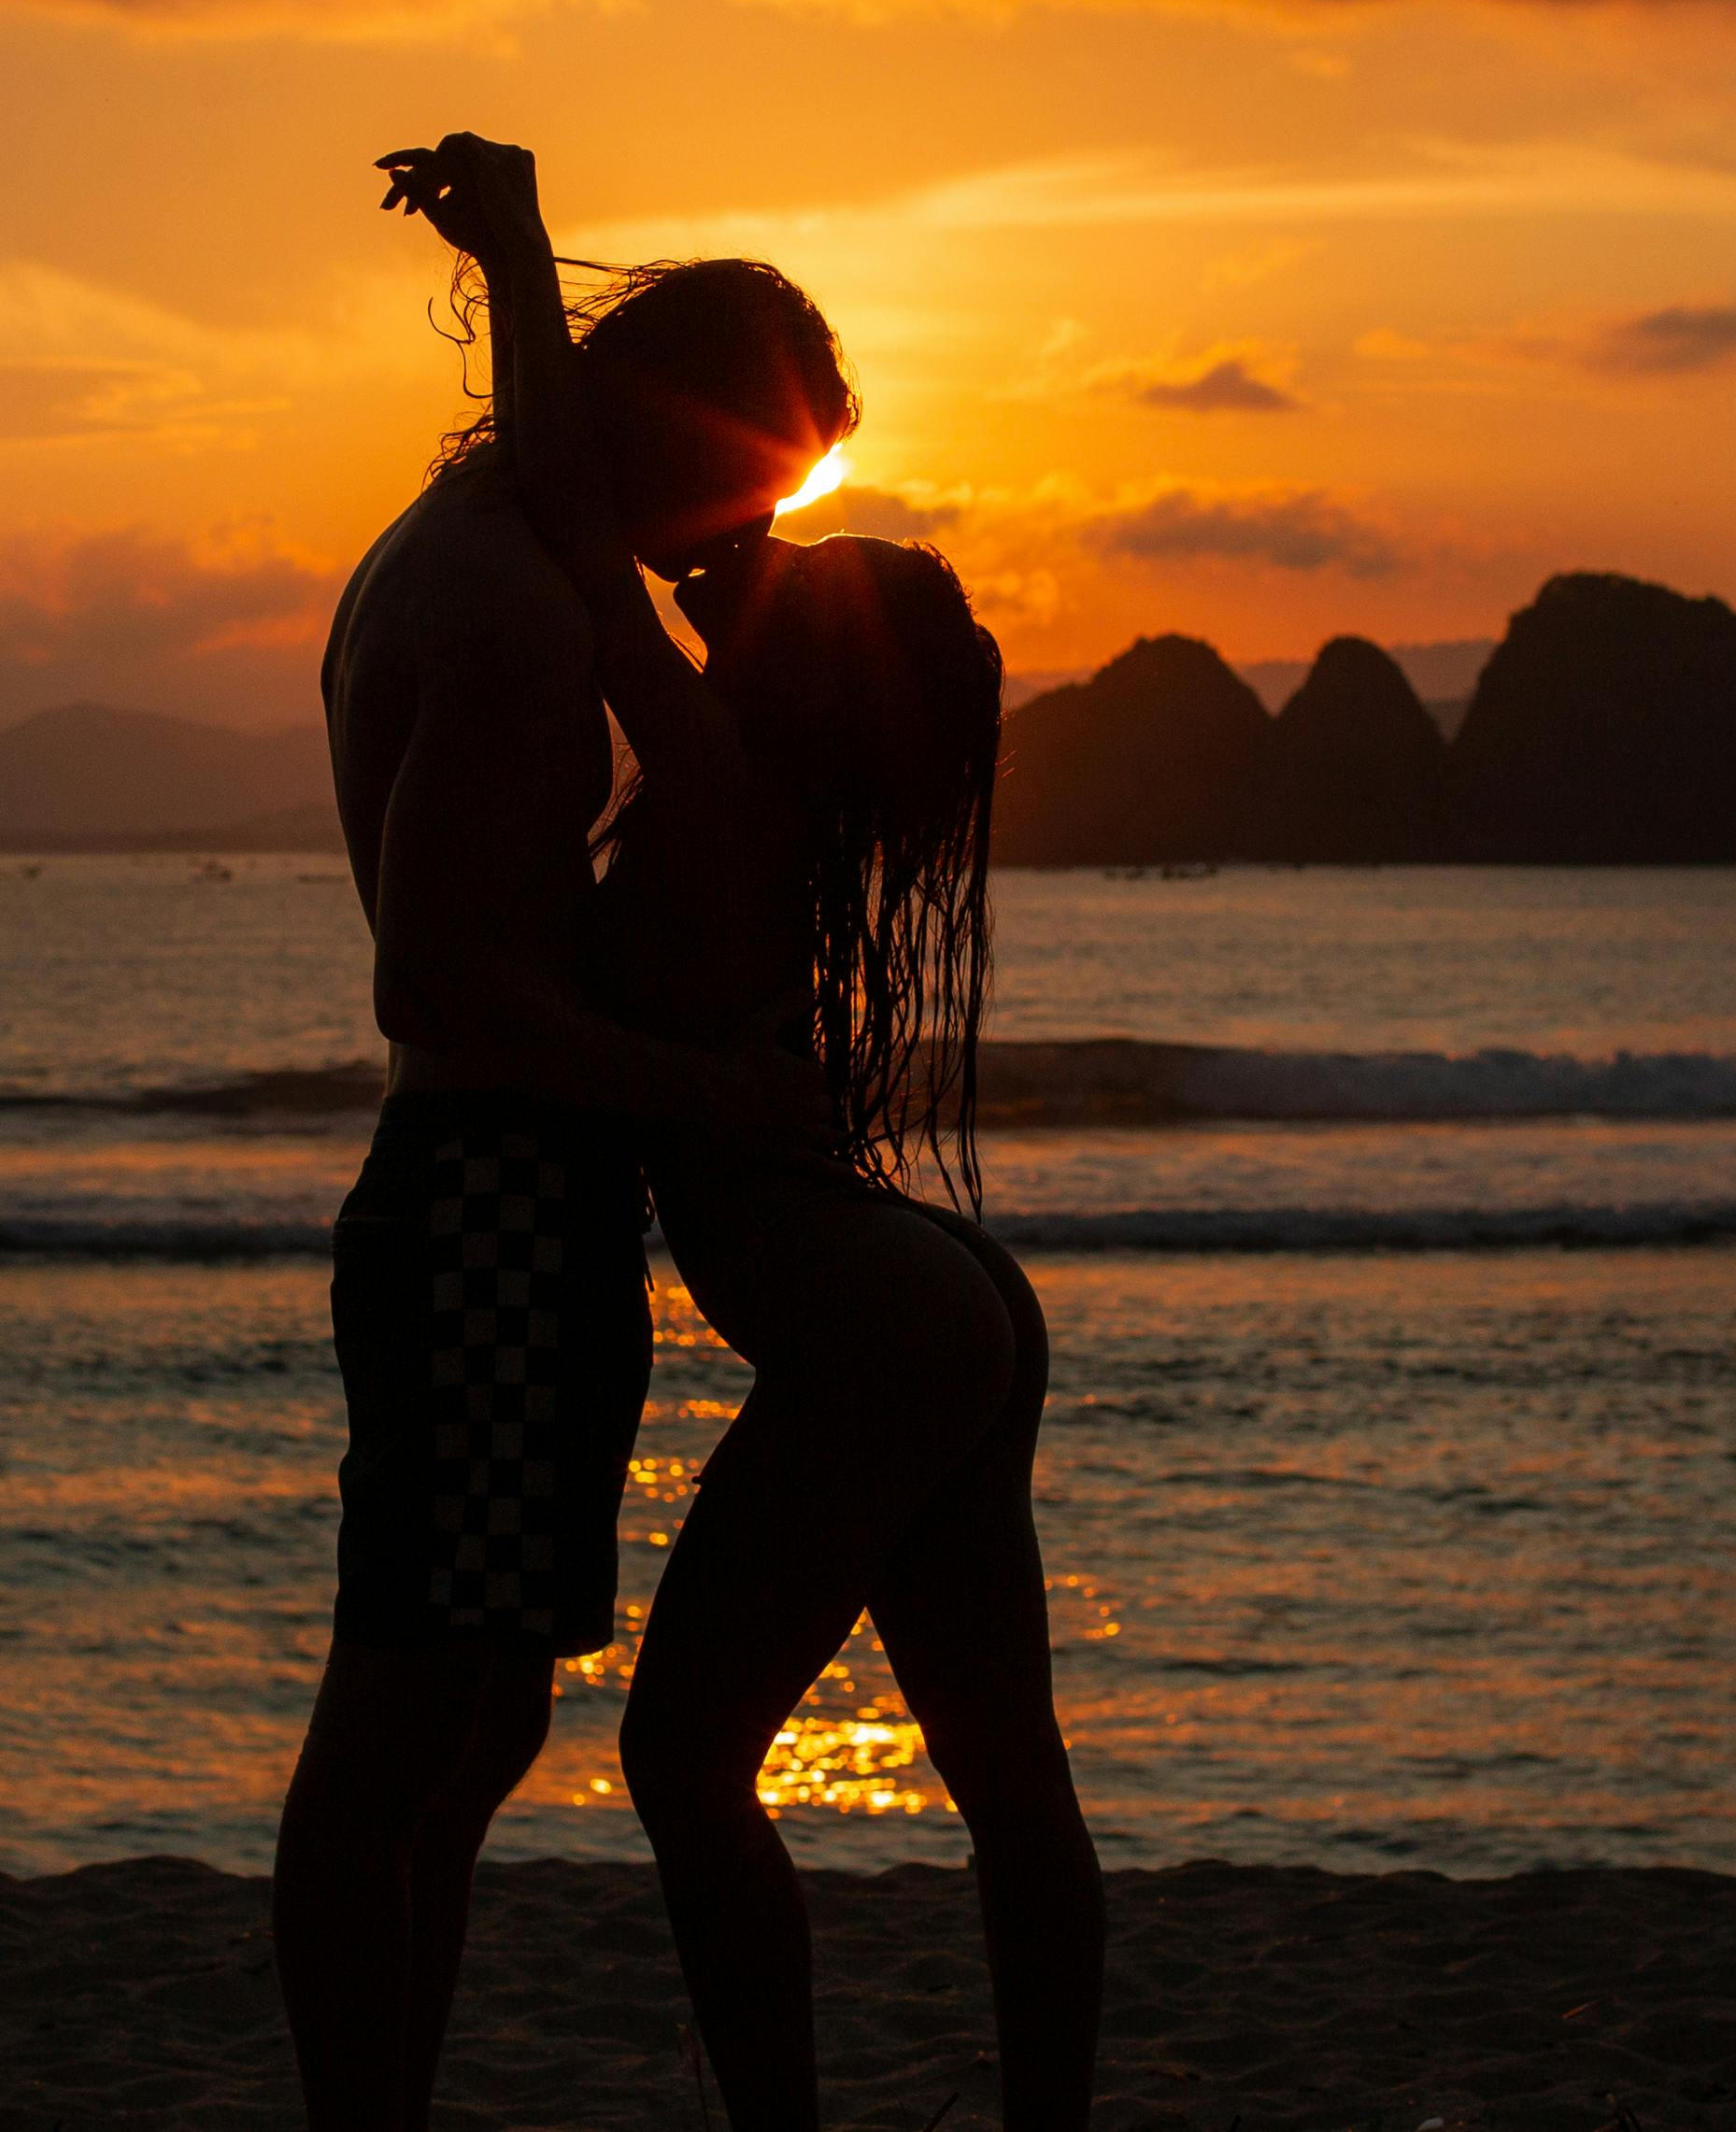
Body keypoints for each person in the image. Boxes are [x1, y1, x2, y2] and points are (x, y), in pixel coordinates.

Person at [383, 131, 1104, 2132]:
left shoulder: (704, 776)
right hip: (952, 1298)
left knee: (688, 1763)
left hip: (882, 1322)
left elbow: (558, 488)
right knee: (1009, 1786)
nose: (735, 562)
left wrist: (522, 252)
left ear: (784, 679)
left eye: (775, 580)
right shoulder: (781, 817)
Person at [276, 205, 861, 2129]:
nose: (734, 551)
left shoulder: (466, 555)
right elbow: (435, 979)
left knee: (472, 1726)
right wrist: (713, 1099)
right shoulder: (521, 610)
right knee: (399, 1734)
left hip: (497, 1198)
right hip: (485, 1202)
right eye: (733, 497)